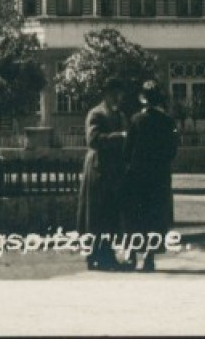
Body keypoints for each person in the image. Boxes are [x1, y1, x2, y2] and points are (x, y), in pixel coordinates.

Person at [124, 80, 179, 272]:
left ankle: (131, 253)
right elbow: (172, 150)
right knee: (155, 216)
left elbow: (127, 149)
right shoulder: (167, 121)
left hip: (138, 176)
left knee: (135, 215)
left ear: (143, 99)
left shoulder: (135, 120)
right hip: (159, 177)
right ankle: (149, 256)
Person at [78, 77, 131, 270]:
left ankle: (107, 255)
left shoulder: (120, 115)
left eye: (120, 94)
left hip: (114, 170)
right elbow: (93, 140)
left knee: (110, 215)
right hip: (98, 169)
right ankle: (93, 256)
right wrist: (119, 137)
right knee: (95, 215)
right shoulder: (96, 114)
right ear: (107, 94)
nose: (119, 98)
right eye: (116, 94)